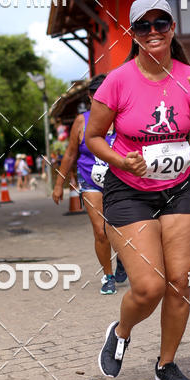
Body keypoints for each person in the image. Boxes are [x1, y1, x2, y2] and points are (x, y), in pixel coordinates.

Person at [85, 0, 190, 380]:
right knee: (149, 287)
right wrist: (122, 162)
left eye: (162, 23)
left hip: (179, 189)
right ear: (133, 33)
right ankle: (122, 330)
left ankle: (166, 364)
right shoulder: (118, 80)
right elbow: (93, 137)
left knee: (179, 281)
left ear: (173, 28)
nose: (154, 31)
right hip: (128, 190)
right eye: (144, 26)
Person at [52, 76, 126, 295]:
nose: (99, 97)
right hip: (89, 179)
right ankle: (108, 276)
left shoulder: (122, 118)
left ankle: (122, 257)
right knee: (100, 231)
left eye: (104, 92)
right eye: (95, 94)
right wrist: (59, 184)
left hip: (120, 181)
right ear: (90, 96)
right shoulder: (81, 121)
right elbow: (70, 154)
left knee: (120, 228)